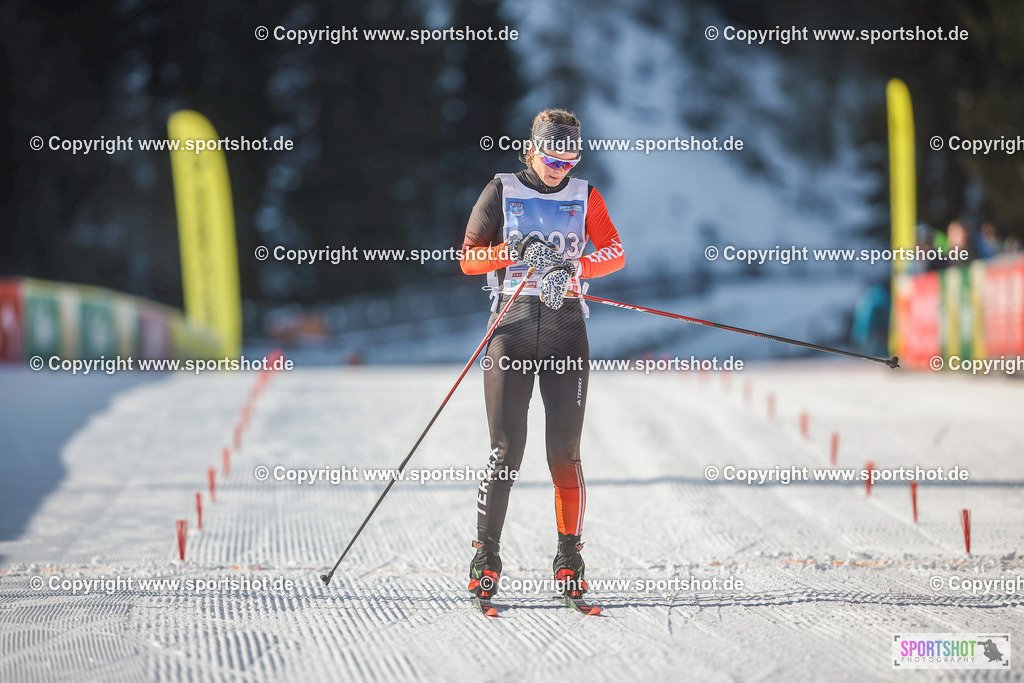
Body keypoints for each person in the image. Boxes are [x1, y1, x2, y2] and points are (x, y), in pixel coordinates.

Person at [459, 109, 625, 602]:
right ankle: (485, 557)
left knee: (565, 454)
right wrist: (515, 253)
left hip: (566, 331)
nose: (560, 167)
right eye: (552, 156)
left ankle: (569, 559)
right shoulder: (501, 190)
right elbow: (468, 258)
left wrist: (573, 267)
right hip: (510, 329)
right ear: (532, 148)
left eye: (570, 158)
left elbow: (614, 250)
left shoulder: (585, 194)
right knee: (505, 452)